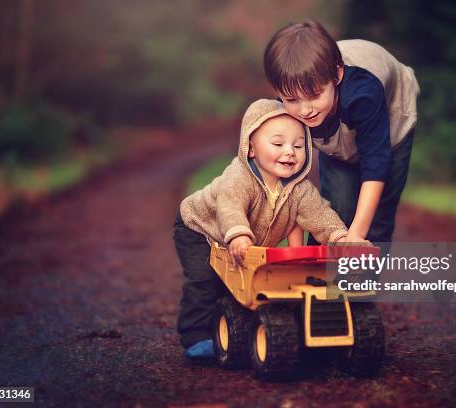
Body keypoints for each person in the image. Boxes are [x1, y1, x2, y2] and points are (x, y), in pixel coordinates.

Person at [175, 99, 366, 361]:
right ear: (250, 148)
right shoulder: (239, 177)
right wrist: (239, 232)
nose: (289, 152)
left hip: (239, 239)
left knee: (241, 283)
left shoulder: (299, 189)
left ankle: (240, 323)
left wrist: (341, 238)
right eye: (278, 144)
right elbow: (229, 206)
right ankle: (196, 335)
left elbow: (320, 216)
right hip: (200, 227)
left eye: (298, 146)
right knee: (204, 279)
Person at [264, 19, 420, 254]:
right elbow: (289, 184)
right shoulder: (285, 112)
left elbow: (376, 163)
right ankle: (315, 278)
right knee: (336, 208)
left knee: (376, 218)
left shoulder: (363, 94)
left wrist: (356, 236)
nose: (305, 110)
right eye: (292, 99)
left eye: (314, 95)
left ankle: (361, 283)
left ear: (337, 76)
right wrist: (295, 253)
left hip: (392, 121)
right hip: (336, 136)